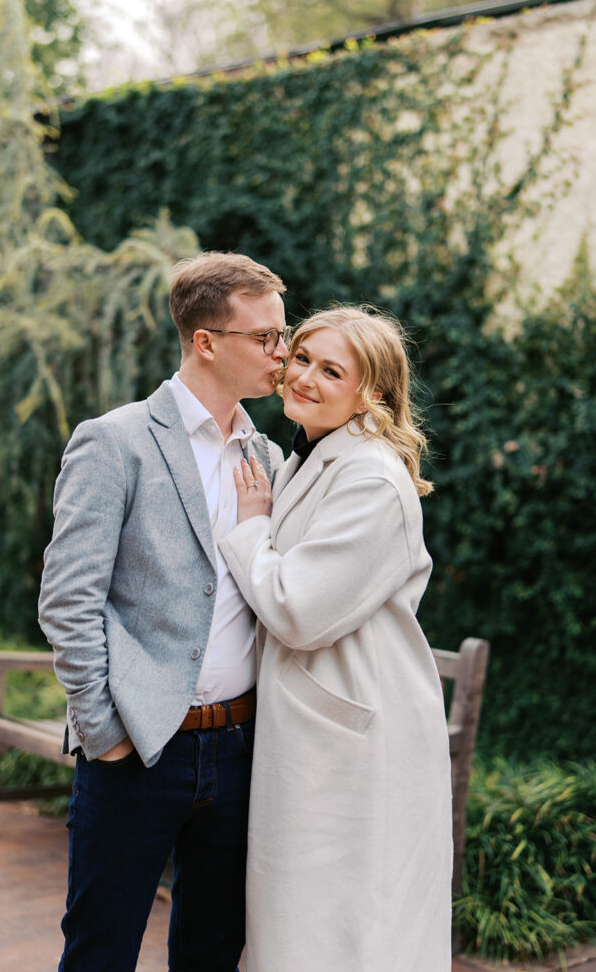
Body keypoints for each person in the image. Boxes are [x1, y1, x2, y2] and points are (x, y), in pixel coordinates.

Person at [37, 251, 290, 972]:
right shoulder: (114, 442)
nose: (282, 353)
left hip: (241, 750)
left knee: (212, 953)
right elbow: (67, 599)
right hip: (138, 749)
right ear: (205, 342)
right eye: (265, 338)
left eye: (283, 334)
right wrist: (103, 729)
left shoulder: (270, 457)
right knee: (99, 952)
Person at [219, 305, 452, 972]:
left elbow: (297, 610)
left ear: (371, 392)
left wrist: (248, 527)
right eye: (301, 359)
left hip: (353, 739)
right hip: (311, 730)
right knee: (303, 925)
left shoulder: (372, 477)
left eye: (331, 369)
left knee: (349, 929)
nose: (305, 377)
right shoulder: (311, 456)